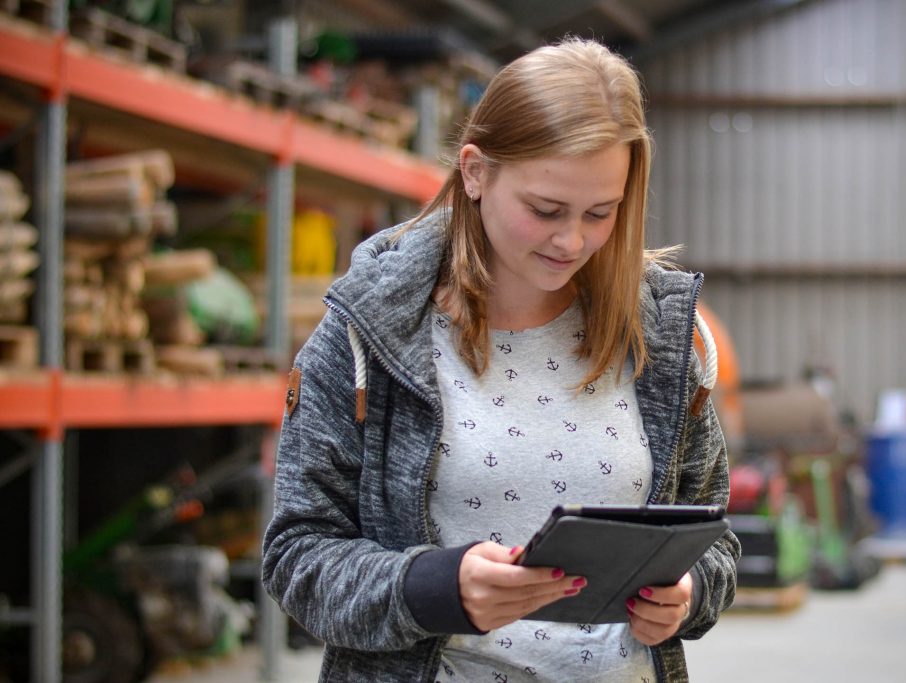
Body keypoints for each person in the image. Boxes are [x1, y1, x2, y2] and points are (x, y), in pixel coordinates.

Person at [262, 37, 739, 683]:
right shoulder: (367, 337)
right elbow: (297, 556)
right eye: (545, 209)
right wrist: (431, 586)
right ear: (476, 171)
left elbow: (717, 544)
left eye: (601, 213)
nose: (572, 239)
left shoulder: (664, 341)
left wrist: (687, 594)